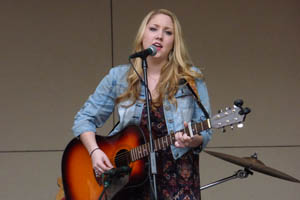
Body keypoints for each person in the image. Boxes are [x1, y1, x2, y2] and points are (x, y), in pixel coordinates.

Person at [72, 9, 212, 200]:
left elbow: (205, 128)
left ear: (174, 42)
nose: (160, 36)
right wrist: (95, 152)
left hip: (179, 178)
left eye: (168, 32)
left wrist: (193, 139)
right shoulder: (118, 77)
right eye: (153, 29)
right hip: (129, 180)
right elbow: (84, 119)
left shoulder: (190, 78)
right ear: (142, 35)